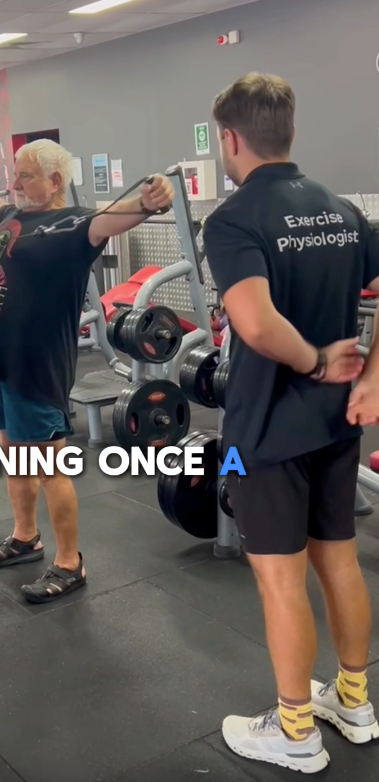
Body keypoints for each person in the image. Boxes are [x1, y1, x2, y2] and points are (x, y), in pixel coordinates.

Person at [202, 72, 379, 773]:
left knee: (279, 578)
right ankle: (355, 701)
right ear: (291, 133)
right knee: (336, 557)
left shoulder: (234, 218)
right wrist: (368, 377)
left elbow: (253, 321)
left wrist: (311, 361)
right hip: (337, 423)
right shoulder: (340, 210)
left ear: (231, 139)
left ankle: (297, 731)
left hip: (264, 430)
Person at [0, 140, 175, 604]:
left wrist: (150, 200)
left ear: (55, 182)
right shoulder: (12, 216)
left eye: (26, 176)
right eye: (15, 174)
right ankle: (24, 537)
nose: (15, 183)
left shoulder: (75, 224)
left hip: (33, 363)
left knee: (48, 462)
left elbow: (113, 218)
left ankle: (70, 563)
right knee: (12, 449)